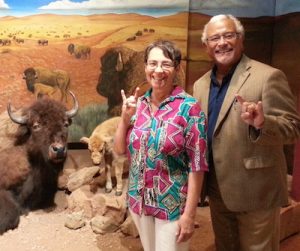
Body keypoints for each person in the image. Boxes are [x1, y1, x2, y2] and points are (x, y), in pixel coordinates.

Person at [193, 14, 300, 251]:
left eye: (229, 35)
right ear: (206, 46)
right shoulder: (199, 86)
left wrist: (264, 123)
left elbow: (292, 127)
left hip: (256, 191)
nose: (222, 42)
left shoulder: (268, 76)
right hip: (217, 190)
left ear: (241, 40)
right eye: (215, 38)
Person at [114, 39, 208, 251]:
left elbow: (197, 165)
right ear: (145, 67)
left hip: (172, 204)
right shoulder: (139, 105)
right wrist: (124, 118)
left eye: (165, 64)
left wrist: (190, 215)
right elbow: (120, 150)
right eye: (152, 63)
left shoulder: (189, 108)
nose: (158, 70)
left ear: (176, 68)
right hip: (139, 201)